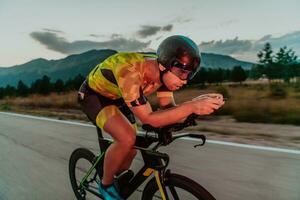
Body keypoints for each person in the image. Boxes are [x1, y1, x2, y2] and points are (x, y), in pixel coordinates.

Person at [77, 35, 225, 200]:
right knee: (126, 138)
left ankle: (115, 175)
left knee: (132, 148)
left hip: (121, 97)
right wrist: (190, 106)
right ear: (163, 66)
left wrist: (195, 106)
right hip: (94, 96)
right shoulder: (130, 72)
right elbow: (148, 118)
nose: (185, 80)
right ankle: (106, 185)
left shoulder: (164, 75)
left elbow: (168, 110)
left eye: (189, 74)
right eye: (182, 72)